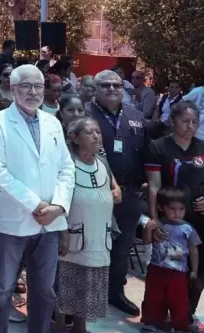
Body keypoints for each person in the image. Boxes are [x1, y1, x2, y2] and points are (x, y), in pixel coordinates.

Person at [0, 65, 75, 333]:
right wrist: (37, 205)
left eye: (38, 86)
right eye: (26, 86)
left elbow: (66, 169)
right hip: (13, 219)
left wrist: (58, 206)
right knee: (2, 289)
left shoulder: (53, 123)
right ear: (12, 87)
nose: (33, 92)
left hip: (50, 222)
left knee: (44, 290)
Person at [143, 101, 204, 333]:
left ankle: (186, 316)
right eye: (185, 121)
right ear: (173, 121)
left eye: (195, 122)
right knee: (168, 271)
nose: (190, 126)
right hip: (174, 224)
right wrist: (154, 219)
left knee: (197, 273)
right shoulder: (159, 147)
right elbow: (154, 186)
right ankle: (156, 316)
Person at [86, 69, 148, 317]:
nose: (112, 89)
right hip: (94, 192)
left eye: (116, 85)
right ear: (95, 89)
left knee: (122, 246)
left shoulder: (135, 115)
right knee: (91, 244)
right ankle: (88, 295)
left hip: (130, 193)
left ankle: (115, 292)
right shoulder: (84, 114)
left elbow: (145, 151)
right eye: (105, 85)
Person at [53, 117, 116, 333]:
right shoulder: (67, 163)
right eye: (89, 132)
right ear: (74, 138)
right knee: (67, 282)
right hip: (74, 235)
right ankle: (60, 327)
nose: (96, 136)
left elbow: (112, 188)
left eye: (98, 131)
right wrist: (61, 230)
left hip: (100, 234)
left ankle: (81, 327)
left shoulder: (102, 163)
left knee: (90, 284)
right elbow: (57, 199)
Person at [139, 187, 200, 333]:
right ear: (161, 208)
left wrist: (194, 270)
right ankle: (152, 321)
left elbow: (193, 249)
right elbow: (147, 242)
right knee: (153, 296)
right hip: (157, 268)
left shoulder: (188, 228)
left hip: (178, 272)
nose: (177, 213)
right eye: (171, 209)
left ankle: (180, 327)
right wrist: (147, 230)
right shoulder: (156, 226)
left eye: (181, 209)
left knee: (179, 301)